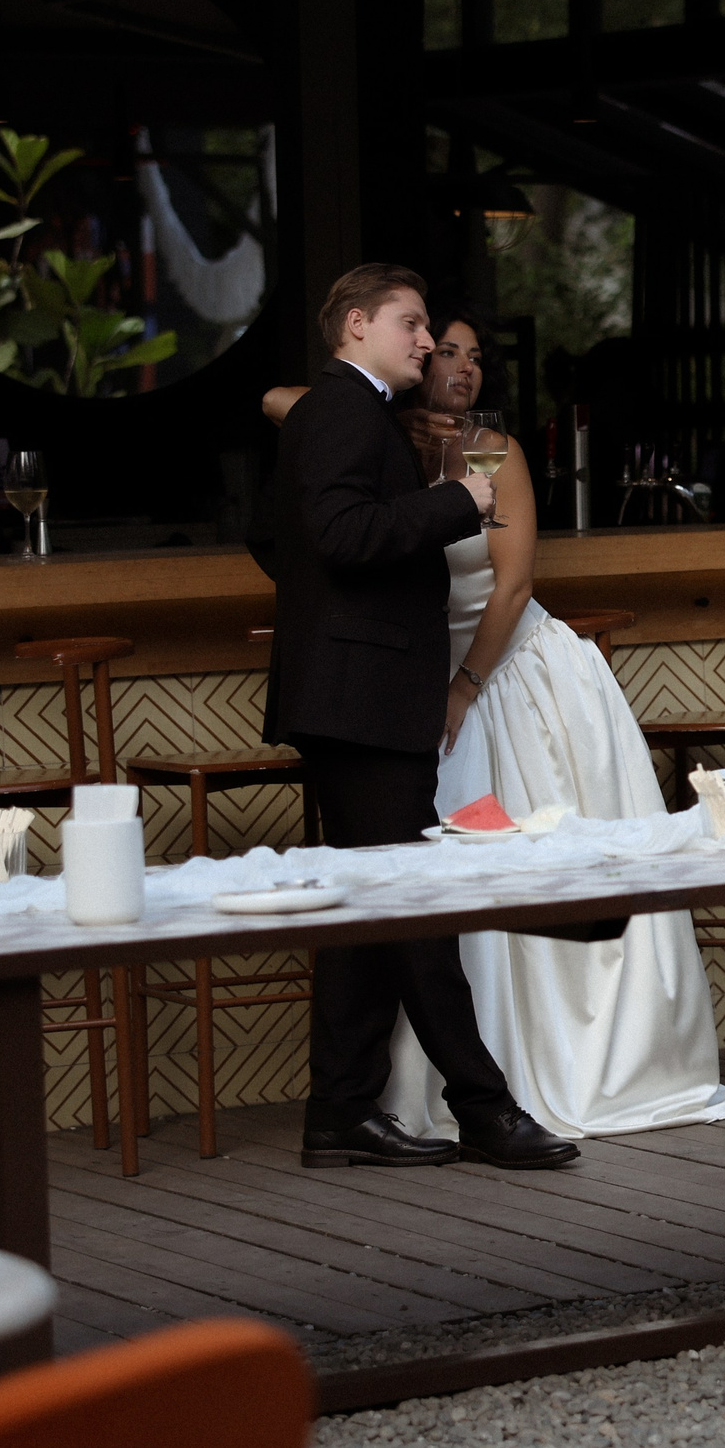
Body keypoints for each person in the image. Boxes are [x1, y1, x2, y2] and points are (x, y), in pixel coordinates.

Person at [263, 314, 725, 1139]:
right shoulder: (380, 434)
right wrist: (389, 408)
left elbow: (512, 585)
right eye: (439, 347)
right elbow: (284, 401)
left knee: (503, 865)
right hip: (405, 684)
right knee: (415, 879)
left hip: (508, 672)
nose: (459, 366)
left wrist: (465, 685)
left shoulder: (491, 449)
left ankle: (547, 1070)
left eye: (474, 357)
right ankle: (437, 1095)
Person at [254, 263, 579, 1172]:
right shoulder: (339, 412)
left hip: (360, 692)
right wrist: (455, 504)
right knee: (416, 906)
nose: (428, 341)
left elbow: (280, 541)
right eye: (412, 323)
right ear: (355, 326)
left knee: (371, 907)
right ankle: (482, 1107)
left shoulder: (344, 416)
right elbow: (344, 538)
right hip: (359, 700)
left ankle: (339, 1111)